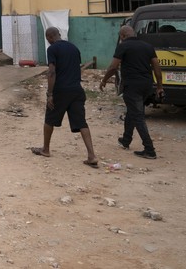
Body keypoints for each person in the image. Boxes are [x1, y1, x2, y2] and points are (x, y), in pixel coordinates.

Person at [30, 27, 98, 167]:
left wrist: (50, 94)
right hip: (77, 90)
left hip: (61, 90)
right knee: (81, 122)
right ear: (59, 35)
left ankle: (46, 149)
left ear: (49, 37)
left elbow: (52, 72)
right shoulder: (74, 48)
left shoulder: (52, 49)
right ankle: (91, 155)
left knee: (49, 119)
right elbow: (76, 68)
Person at [99, 25, 164, 159]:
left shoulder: (123, 46)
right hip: (147, 86)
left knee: (138, 116)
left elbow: (113, 67)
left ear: (122, 36)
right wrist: (159, 87)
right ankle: (126, 140)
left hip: (132, 86)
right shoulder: (147, 46)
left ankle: (149, 149)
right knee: (132, 111)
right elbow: (157, 68)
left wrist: (104, 80)